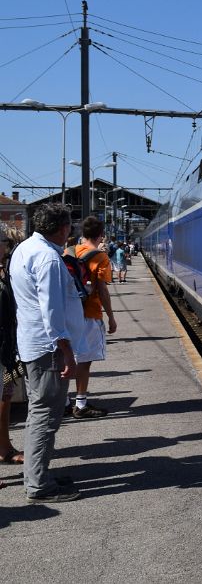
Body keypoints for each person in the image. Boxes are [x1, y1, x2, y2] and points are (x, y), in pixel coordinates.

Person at [10, 204, 85, 502]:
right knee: (45, 416)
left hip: (32, 344)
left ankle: (37, 475)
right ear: (64, 228)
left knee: (37, 413)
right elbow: (51, 311)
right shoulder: (48, 258)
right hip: (49, 349)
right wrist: (66, 352)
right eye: (69, 226)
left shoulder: (25, 249)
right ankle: (39, 485)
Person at [71, 216, 116, 418]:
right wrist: (111, 317)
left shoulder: (69, 252)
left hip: (69, 314)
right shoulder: (100, 257)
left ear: (83, 233)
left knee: (67, 358)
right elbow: (103, 290)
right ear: (100, 235)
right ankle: (81, 404)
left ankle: (64, 401)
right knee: (84, 360)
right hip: (89, 314)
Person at [0, 234, 25, 466]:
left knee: (6, 396)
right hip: (3, 349)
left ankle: (4, 447)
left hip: (8, 350)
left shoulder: (3, 271)